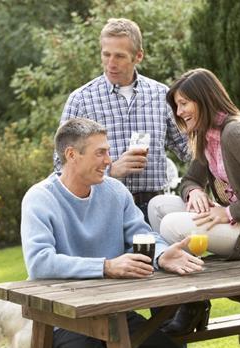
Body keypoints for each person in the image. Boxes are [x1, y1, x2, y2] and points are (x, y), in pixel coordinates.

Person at [21, 118, 202, 348]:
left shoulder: (115, 191)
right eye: (100, 153)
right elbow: (39, 262)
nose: (109, 160)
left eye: (107, 152)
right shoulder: (40, 198)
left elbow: (143, 234)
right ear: (72, 155)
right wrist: (106, 266)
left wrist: (161, 254)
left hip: (115, 313)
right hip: (64, 318)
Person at [147, 68, 240, 336]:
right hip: (236, 219)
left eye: (183, 104)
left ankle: (188, 304)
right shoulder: (206, 135)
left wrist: (228, 212)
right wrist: (194, 192)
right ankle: (195, 305)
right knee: (159, 205)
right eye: (177, 105)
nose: (179, 112)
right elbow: (189, 180)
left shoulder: (235, 133)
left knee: (170, 224)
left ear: (204, 100)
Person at [55, 18, 190, 222]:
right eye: (106, 54)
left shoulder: (162, 95)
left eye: (119, 56)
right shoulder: (81, 100)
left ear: (138, 56)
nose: (111, 63)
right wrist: (111, 170)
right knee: (112, 257)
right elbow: (61, 164)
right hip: (101, 206)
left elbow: (189, 149)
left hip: (153, 207)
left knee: (159, 255)